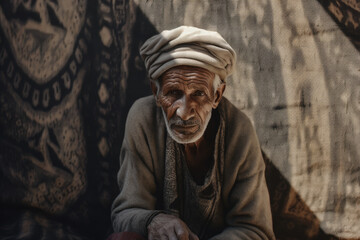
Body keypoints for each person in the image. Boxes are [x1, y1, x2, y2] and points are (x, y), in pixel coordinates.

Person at [111, 26, 275, 240]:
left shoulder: (239, 131)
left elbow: (255, 230)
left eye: (198, 93)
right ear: (156, 92)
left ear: (217, 95)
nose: (184, 112)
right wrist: (153, 221)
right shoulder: (143, 118)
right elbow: (125, 213)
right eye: (173, 93)